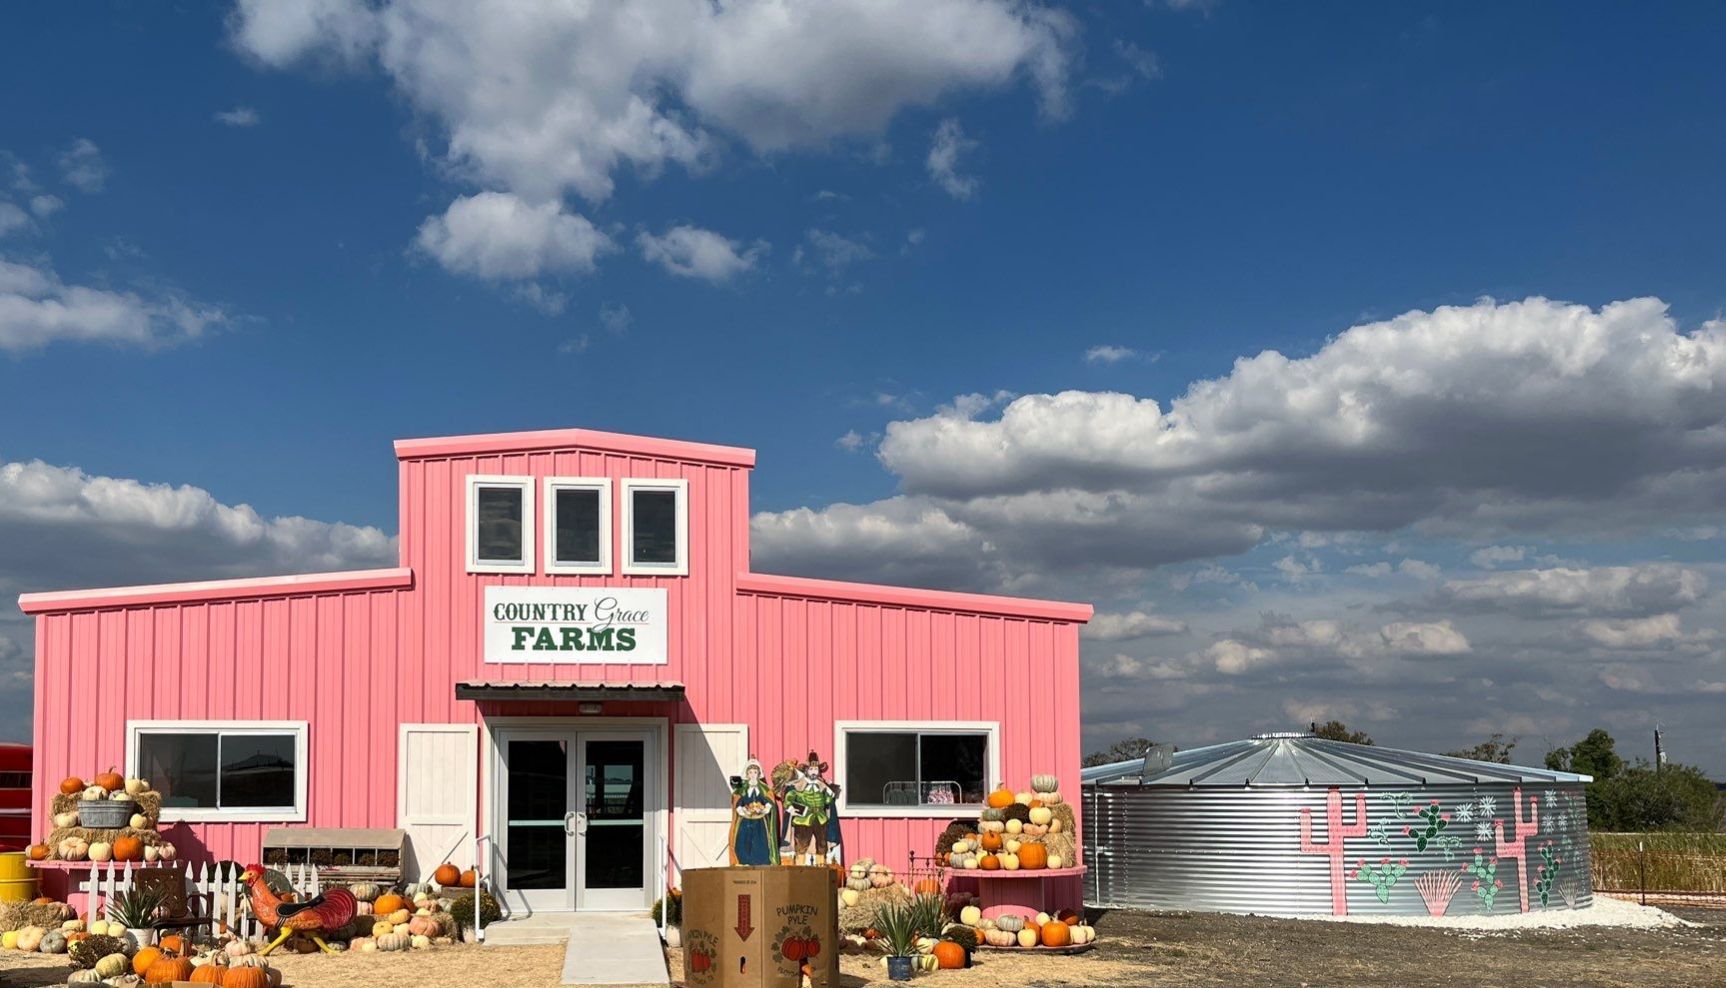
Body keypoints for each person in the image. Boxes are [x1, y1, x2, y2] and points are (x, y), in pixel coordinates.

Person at [727, 758, 779, 866]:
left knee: (760, 841)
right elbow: (738, 802)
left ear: (759, 774)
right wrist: (743, 810)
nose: (753, 775)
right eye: (750, 772)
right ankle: (743, 861)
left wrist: (764, 809)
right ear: (747, 774)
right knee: (743, 841)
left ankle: (760, 862)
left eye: (755, 772)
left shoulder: (764, 789)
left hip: (760, 821)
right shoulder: (742, 789)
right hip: (745, 821)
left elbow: (769, 802)